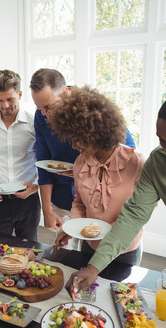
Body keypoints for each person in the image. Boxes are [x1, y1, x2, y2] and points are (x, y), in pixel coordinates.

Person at [46, 85, 145, 299]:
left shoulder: (136, 163)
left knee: (117, 303)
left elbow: (139, 215)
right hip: (89, 247)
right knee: (86, 300)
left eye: (78, 138)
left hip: (123, 253)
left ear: (97, 131)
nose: (73, 145)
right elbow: (79, 202)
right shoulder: (80, 162)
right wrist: (72, 227)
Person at [65, 99, 166, 299]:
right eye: (162, 140)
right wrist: (93, 268)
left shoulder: (136, 161)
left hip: (127, 254)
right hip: (97, 247)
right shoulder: (157, 161)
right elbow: (134, 216)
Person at [30, 68, 136, 245]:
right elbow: (43, 163)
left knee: (102, 255)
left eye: (48, 106)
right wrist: (47, 210)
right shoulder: (41, 117)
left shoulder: (93, 111)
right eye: (39, 108)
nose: (44, 114)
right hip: (63, 200)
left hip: (99, 203)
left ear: (65, 93)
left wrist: (88, 171)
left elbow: (125, 153)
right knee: (69, 260)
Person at [0, 70, 40, 242]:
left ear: (19, 94)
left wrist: (35, 185)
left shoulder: (34, 123)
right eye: (0, 100)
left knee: (29, 252)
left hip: (28, 200)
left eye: (10, 99)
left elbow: (43, 159)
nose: (5, 106)